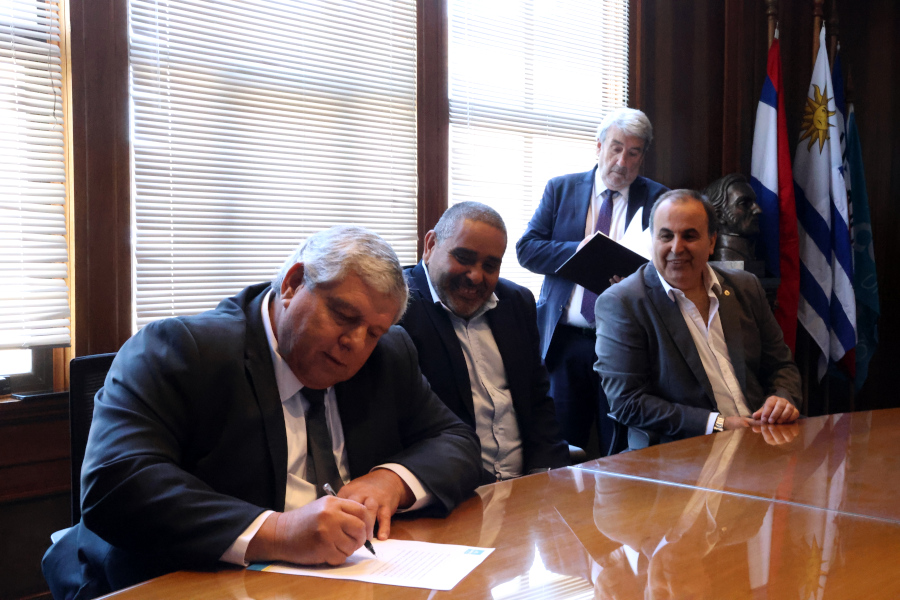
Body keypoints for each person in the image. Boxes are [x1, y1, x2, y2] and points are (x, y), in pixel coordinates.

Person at [43, 226, 482, 599]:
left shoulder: (388, 354)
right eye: (343, 315)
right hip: (189, 581)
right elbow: (115, 483)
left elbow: (456, 440)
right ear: (292, 284)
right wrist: (278, 532)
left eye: (374, 332)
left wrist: (390, 481)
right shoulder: (181, 350)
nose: (355, 343)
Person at [594, 190, 801, 450]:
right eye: (666, 236)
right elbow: (627, 402)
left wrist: (783, 398)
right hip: (684, 451)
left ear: (712, 242)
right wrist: (717, 424)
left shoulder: (745, 287)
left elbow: (782, 366)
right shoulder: (623, 303)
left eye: (689, 236)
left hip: (764, 437)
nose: (676, 248)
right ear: (653, 240)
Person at [516, 107, 669, 456]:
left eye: (633, 153)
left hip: (625, 342)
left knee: (620, 446)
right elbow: (527, 250)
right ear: (598, 146)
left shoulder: (659, 199)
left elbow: (669, 269)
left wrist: (637, 279)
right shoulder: (561, 189)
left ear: (643, 157)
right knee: (562, 447)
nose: (622, 162)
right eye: (616, 148)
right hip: (566, 342)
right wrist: (577, 250)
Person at [399, 202, 569, 484]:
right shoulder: (397, 308)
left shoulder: (517, 302)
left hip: (528, 485)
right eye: (464, 257)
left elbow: (538, 402)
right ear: (430, 245)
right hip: (453, 489)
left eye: (490, 265)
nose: (476, 275)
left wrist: (545, 475)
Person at [703, 173, 763, 263]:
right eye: (744, 203)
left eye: (754, 202)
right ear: (719, 215)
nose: (758, 210)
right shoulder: (725, 256)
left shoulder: (750, 253)